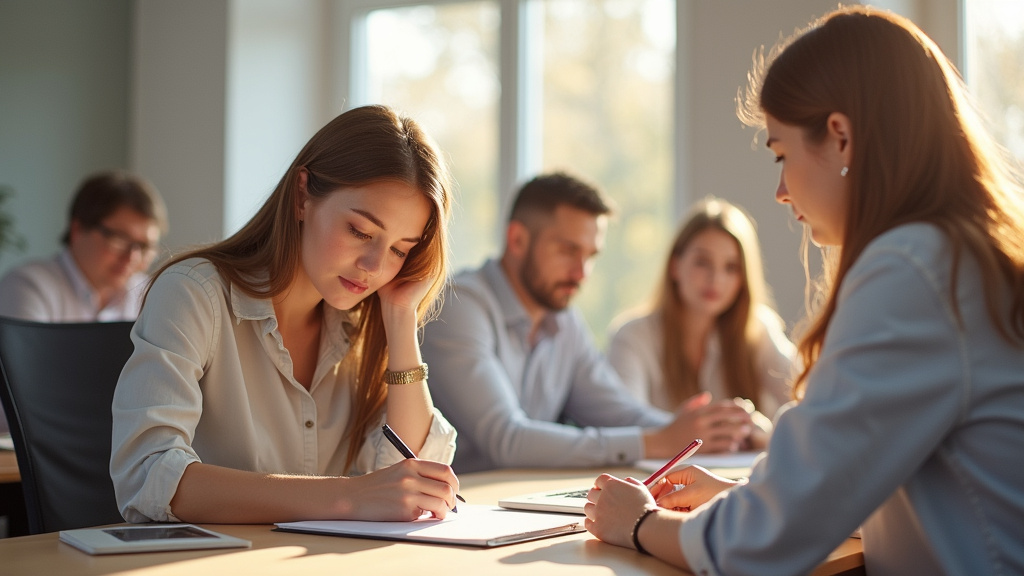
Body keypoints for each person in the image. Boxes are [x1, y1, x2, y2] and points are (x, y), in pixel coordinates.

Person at [583, 6, 1024, 575]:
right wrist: (738, 496)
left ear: (840, 138)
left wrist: (637, 523)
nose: (781, 190)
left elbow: (764, 545)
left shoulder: (913, 271)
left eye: (782, 154)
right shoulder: (964, 257)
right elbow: (869, 479)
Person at [110, 105, 461, 524]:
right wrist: (347, 497)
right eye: (360, 232)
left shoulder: (360, 326)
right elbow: (148, 475)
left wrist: (401, 319)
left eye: (399, 250)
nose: (373, 264)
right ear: (302, 197)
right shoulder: (194, 294)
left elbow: (413, 479)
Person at [420, 172, 757, 473]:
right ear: (518, 239)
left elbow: (618, 412)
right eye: (568, 251)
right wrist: (658, 441)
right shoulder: (458, 305)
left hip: (515, 499)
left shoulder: (564, 320)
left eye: (591, 256)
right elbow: (506, 438)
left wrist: (697, 431)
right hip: (450, 511)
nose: (581, 274)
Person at [606, 197, 795, 438]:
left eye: (731, 267)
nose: (716, 279)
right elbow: (621, 421)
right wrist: (712, 429)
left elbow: (808, 403)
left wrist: (763, 433)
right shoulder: (633, 335)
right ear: (675, 266)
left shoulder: (758, 329)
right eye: (702, 263)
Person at [0, 170, 167, 322]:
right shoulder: (28, 287)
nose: (133, 257)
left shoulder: (149, 296)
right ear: (77, 230)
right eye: (120, 239)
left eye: (145, 247)